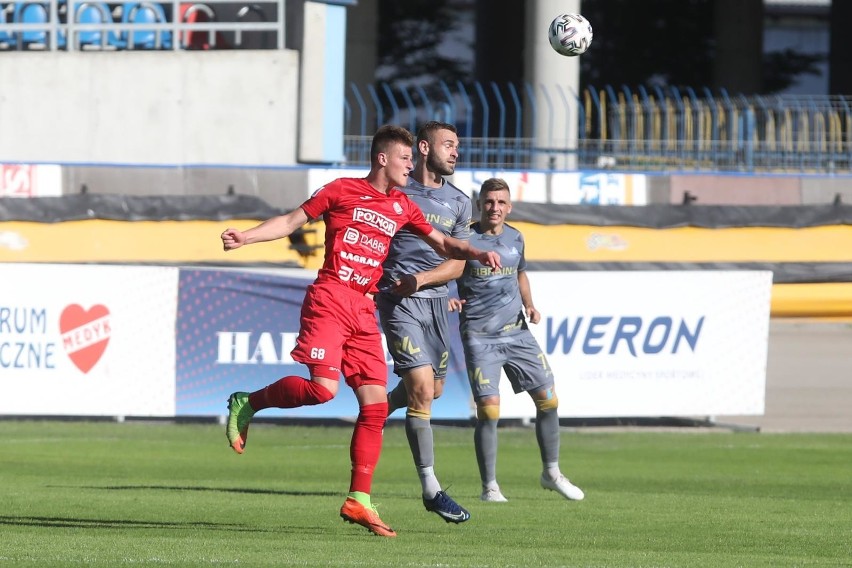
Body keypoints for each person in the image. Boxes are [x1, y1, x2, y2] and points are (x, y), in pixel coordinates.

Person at [219, 125, 501, 538]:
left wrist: (474, 250)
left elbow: (442, 242)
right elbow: (292, 220)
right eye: (405, 159)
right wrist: (246, 236)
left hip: (364, 306)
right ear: (383, 158)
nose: (411, 166)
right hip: (332, 296)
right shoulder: (341, 190)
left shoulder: (403, 205)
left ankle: (359, 500)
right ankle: (249, 403)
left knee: (374, 406)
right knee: (323, 391)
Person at [448, 177, 585, 503]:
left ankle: (551, 472)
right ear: (480, 205)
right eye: (489, 202)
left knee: (549, 401)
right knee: (490, 412)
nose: (494, 208)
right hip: (480, 337)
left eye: (501, 202)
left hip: (518, 332)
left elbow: (519, 272)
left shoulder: (516, 237)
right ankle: (490, 487)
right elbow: (446, 270)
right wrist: (448, 297)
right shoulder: (463, 237)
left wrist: (530, 304)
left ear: (509, 207)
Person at [378, 121, 473, 524]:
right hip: (398, 301)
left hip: (436, 303)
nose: (455, 152)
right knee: (420, 388)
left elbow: (456, 263)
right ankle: (432, 489)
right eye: (447, 145)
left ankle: (377, 409)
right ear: (422, 148)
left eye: (457, 146)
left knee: (432, 390)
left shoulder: (460, 202)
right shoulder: (396, 191)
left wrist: (425, 279)